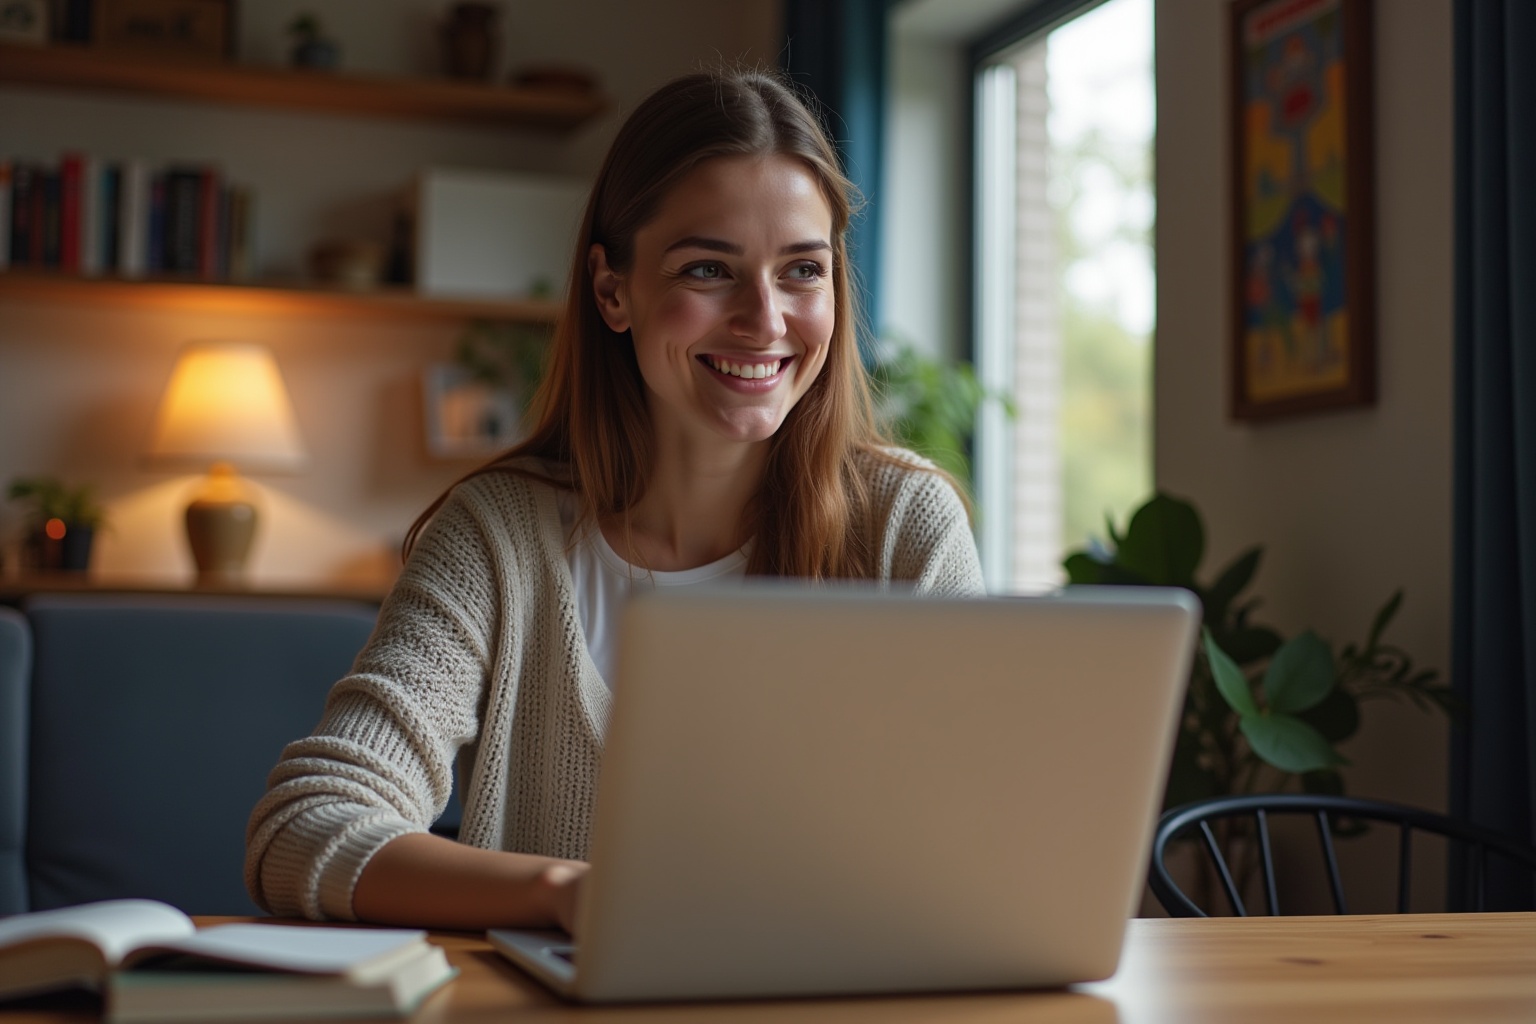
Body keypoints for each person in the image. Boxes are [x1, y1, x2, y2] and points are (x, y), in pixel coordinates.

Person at [244, 65, 985, 936]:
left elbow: (981, 847)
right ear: (612, 292)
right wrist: (566, 894)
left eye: (802, 271)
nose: (765, 318)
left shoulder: (906, 529)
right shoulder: (498, 538)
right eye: (709, 269)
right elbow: (303, 828)